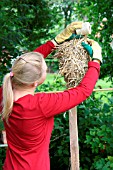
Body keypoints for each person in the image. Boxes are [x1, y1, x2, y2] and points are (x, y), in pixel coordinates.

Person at [0, 21, 102, 170]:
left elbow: (26, 65)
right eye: (44, 69)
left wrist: (56, 40)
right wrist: (96, 60)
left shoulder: (5, 93)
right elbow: (82, 91)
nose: (46, 69)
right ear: (35, 82)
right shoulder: (41, 104)